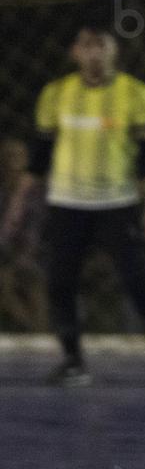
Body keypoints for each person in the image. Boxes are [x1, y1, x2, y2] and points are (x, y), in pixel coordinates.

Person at [0, 17, 145, 386]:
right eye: (87, 45)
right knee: (59, 282)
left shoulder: (138, 95)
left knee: (138, 279)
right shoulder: (56, 94)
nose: (95, 53)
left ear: (115, 50)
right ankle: (73, 361)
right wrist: (19, 202)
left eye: (102, 45)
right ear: (75, 53)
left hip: (117, 204)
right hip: (67, 204)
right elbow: (40, 156)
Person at [0, 137, 48, 332]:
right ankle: (33, 330)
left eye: (19, 156)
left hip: (35, 253)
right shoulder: (2, 193)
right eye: (9, 156)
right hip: (6, 255)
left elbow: (36, 230)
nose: (14, 161)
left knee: (33, 280)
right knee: (5, 282)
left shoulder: (37, 194)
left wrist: (25, 256)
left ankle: (39, 332)